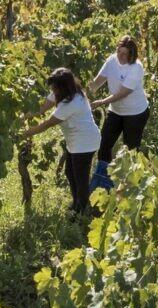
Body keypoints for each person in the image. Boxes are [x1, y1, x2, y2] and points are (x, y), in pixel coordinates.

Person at [24, 67, 101, 217]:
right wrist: (22, 117)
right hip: (76, 140)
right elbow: (41, 108)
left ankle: (81, 213)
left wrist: (25, 134)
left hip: (85, 142)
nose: (53, 91)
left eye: (55, 88)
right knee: (70, 172)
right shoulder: (63, 91)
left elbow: (47, 124)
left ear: (63, 87)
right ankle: (77, 204)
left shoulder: (73, 102)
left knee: (81, 179)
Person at [88, 35, 150, 188]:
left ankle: (132, 184)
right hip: (116, 111)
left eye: (124, 54)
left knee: (131, 150)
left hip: (135, 114)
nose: (120, 56)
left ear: (131, 55)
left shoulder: (136, 68)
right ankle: (105, 181)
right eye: (119, 52)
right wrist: (84, 94)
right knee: (104, 145)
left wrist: (101, 102)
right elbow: (97, 81)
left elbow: (123, 93)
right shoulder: (112, 60)